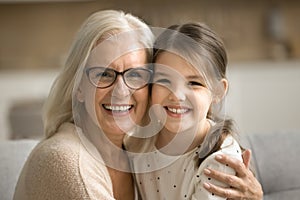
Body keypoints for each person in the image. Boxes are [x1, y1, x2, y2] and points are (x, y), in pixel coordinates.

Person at [13, 10, 262, 200]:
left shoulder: (134, 149)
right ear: (78, 86)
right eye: (104, 74)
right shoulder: (69, 164)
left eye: (135, 75)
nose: (121, 91)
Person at [126, 22, 263, 199]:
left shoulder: (220, 161)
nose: (177, 95)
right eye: (164, 81)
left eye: (194, 83)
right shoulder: (137, 141)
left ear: (218, 92)